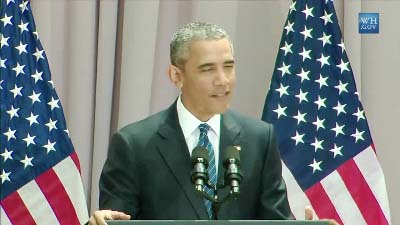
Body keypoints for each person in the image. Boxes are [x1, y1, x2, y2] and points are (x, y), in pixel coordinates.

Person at [89, 22, 337, 225]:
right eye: (208, 69)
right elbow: (115, 220)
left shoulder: (259, 139)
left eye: (228, 67)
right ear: (176, 76)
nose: (222, 81)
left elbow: (274, 219)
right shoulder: (134, 144)